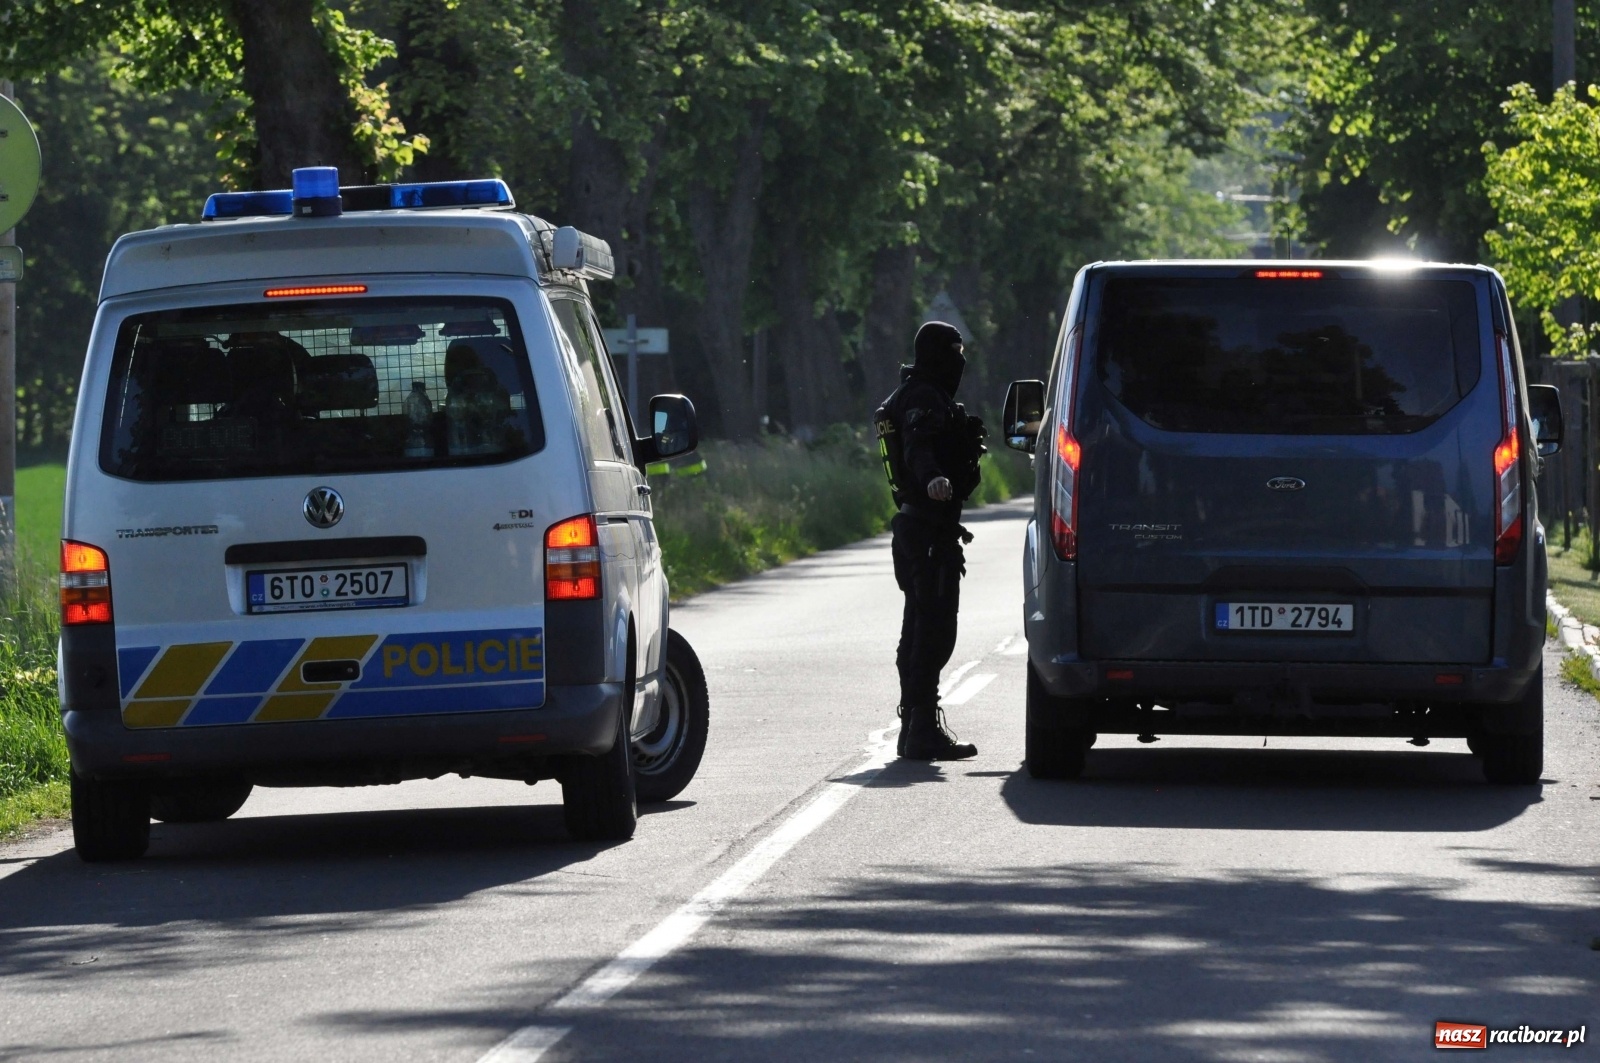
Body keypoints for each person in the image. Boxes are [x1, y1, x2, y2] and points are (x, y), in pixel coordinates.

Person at [875, 320, 986, 760]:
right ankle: (921, 727)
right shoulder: (923, 397)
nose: (961, 360)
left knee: (918, 626)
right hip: (926, 530)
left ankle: (914, 724)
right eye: (956, 350)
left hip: (916, 528)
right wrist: (934, 477)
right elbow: (917, 448)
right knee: (934, 630)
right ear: (939, 353)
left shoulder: (906, 393)